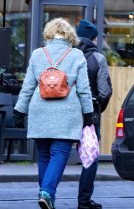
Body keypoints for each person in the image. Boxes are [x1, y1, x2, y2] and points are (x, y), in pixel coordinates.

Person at [13, 18, 94, 209]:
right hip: (66, 113)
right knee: (59, 153)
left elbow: (28, 87)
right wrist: (88, 113)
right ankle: (47, 193)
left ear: (48, 34)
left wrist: (19, 110)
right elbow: (84, 89)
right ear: (70, 36)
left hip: (39, 111)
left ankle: (48, 197)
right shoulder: (76, 55)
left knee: (43, 156)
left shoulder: (37, 54)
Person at [76, 19, 112, 209]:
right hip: (89, 116)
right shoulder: (98, 58)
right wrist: (98, 109)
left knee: (57, 155)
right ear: (93, 39)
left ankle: (48, 195)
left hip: (66, 114)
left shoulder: (68, 55)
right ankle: (83, 201)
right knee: (90, 157)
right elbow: (105, 91)